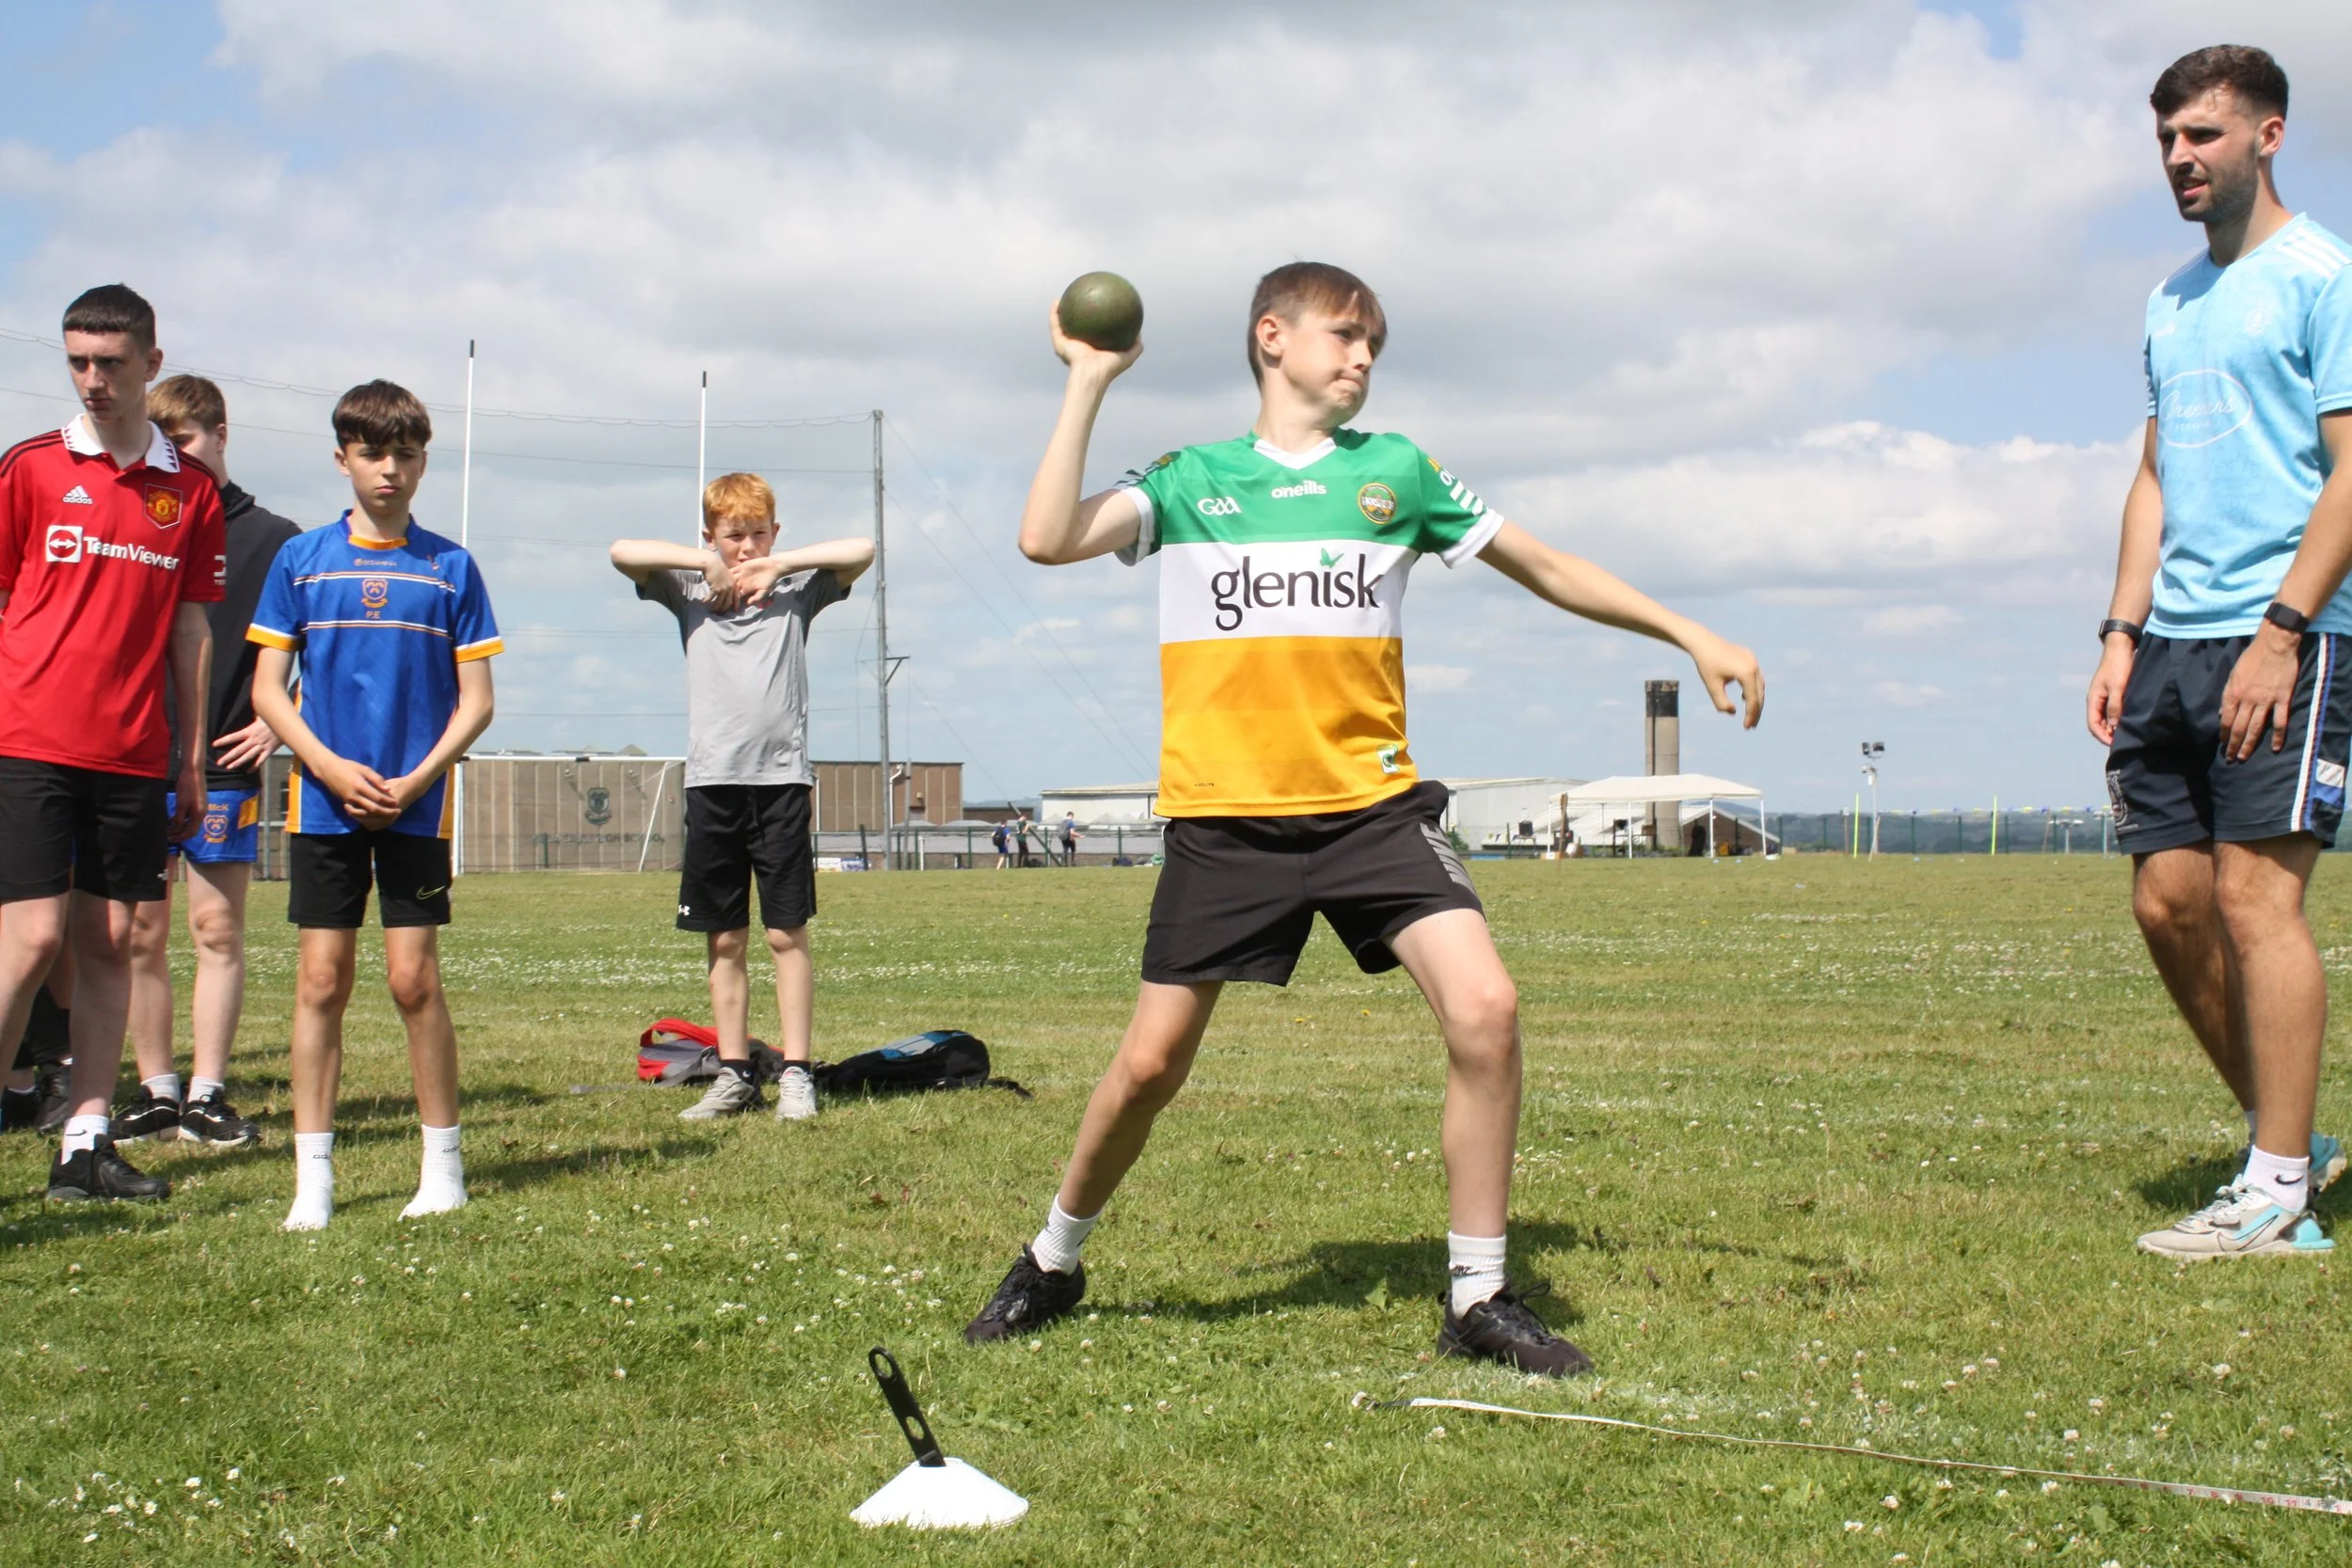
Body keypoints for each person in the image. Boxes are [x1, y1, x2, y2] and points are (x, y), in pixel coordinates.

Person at [963, 261, 1763, 1373]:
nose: (1362, 359)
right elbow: (1046, 537)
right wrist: (1090, 378)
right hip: (1228, 820)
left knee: (1486, 1006)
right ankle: (1052, 1256)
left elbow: (1544, 566)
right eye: (1344, 336)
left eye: (1373, 343)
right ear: (1271, 337)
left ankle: (1478, 1294)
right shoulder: (1194, 478)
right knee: (1147, 1067)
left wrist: (1689, 632)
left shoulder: (1400, 473)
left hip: (1372, 809)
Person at [2087, 46, 2352, 1260]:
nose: (2181, 160)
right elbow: (2153, 474)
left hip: (2283, 638)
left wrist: (2283, 631)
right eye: (2166, 142)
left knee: (2258, 897)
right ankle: (2280, 1135)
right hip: (2171, 642)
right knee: (2168, 900)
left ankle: (2277, 1187)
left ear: (2268, 134)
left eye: (2202, 135)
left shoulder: (2325, 277)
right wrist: (2120, 627)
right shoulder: (2170, 299)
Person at [246, 380, 501, 1230]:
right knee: (321, 980)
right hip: (322, 805)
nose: (389, 469)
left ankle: (443, 1167)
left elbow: (477, 702)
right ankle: (312, 1179)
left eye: (405, 453)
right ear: (342, 458)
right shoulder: (303, 560)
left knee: (412, 980)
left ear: (424, 460)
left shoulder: (451, 566)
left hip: (416, 808)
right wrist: (325, 764)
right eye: (371, 453)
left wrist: (420, 777)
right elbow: (269, 690)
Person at [0, 284, 221, 1202]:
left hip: (134, 753)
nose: (92, 380)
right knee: (30, 938)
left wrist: (193, 753)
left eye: (110, 363)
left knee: (111, 939)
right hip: (30, 739)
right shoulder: (30, 469)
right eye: (78, 361)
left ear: (150, 365)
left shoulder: (191, 491)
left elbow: (192, 631)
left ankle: (83, 1142)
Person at [609, 473, 872, 1123]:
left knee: (787, 933)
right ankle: (732, 1074)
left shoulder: (798, 590)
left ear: (775, 533)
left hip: (781, 785)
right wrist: (703, 563)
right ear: (712, 537)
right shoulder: (690, 589)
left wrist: (783, 561)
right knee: (724, 940)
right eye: (733, 536)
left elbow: (863, 549)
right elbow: (620, 551)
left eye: (758, 533)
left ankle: (796, 1075)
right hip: (712, 787)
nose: (746, 547)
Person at [114, 376, 299, 1150]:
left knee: (216, 926)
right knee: (137, 934)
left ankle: (208, 1094)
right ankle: (157, 1091)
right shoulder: (143, 522)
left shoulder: (279, 538)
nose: (175, 455)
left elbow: (318, 649)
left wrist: (277, 721)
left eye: (185, 439)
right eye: (163, 443)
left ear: (222, 434)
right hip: (132, 755)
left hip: (223, 760)